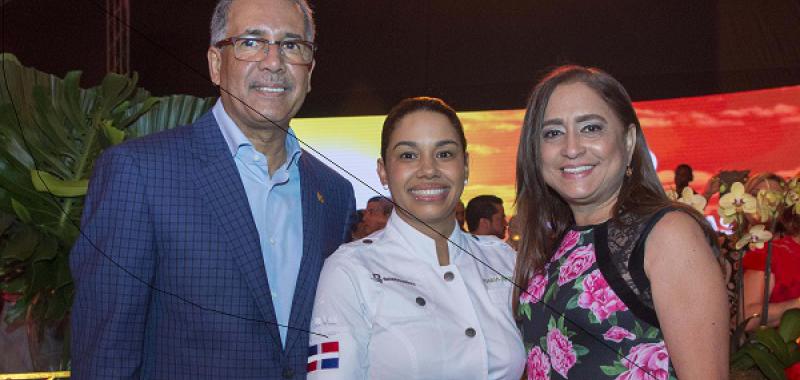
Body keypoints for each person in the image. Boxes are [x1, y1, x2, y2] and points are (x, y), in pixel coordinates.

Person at [69, 0, 355, 378]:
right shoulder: (140, 174)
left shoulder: (333, 194)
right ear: (216, 64)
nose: (274, 62)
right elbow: (105, 358)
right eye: (251, 42)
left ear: (310, 70)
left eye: (291, 45)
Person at [514, 65, 728, 379]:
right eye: (553, 133)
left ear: (628, 141)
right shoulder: (555, 244)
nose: (572, 148)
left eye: (591, 128)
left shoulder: (666, 234)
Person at [308, 97, 525, 379]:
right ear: (383, 171)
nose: (429, 169)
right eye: (408, 155)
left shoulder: (503, 259)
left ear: (466, 166)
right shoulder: (350, 270)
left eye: (444, 154)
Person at [742, 173, 799, 330]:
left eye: (772, 197)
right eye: (756, 195)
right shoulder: (727, 246)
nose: (763, 201)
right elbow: (747, 318)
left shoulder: (789, 246)